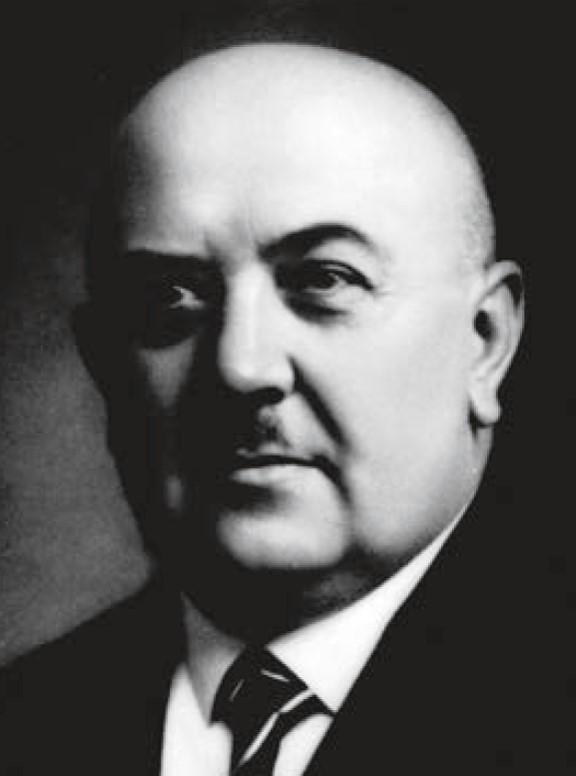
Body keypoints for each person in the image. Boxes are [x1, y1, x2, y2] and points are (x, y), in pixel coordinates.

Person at [4, 41, 559, 775]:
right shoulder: (25, 721)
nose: (241, 367)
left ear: (485, 341)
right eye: (170, 297)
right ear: (104, 363)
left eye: (324, 280)